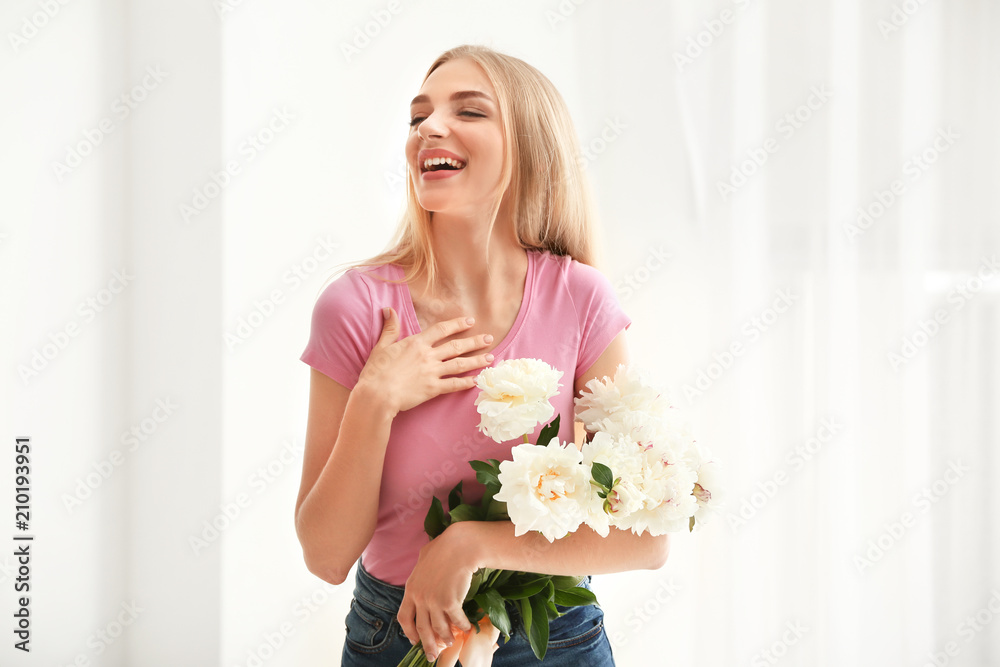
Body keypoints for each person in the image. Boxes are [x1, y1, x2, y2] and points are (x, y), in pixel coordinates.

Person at [294, 44, 670, 666]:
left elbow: (647, 535)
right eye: (419, 117)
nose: (429, 128)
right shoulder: (357, 306)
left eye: (468, 111)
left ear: (528, 147)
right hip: (399, 635)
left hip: (558, 635)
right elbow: (327, 556)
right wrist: (375, 401)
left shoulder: (579, 299)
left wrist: (470, 545)